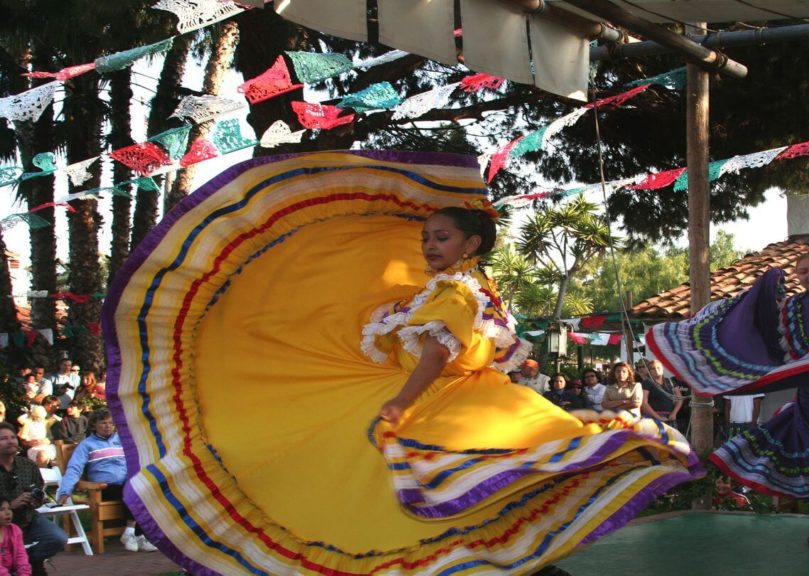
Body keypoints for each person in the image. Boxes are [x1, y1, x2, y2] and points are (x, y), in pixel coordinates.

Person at [106, 152, 704, 575]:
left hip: (446, 399)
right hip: (473, 396)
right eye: (426, 239)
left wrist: (402, 400)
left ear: (469, 244)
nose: (427, 246)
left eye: (439, 237)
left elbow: (440, 352)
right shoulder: (466, 290)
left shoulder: (453, 294)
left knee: (382, 495)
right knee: (468, 497)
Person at [648, 251, 809, 545]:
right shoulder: (791, 308)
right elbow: (753, 319)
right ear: (798, 277)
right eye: (803, 270)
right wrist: (765, 284)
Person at [56, 409, 157, 552]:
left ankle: (133, 533)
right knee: (133, 491)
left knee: (142, 488)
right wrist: (65, 491)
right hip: (103, 488)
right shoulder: (86, 445)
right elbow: (74, 468)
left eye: (110, 423)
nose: (108, 426)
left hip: (126, 485)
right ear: (93, 426)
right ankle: (134, 533)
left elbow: (136, 461)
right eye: (103, 423)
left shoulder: (121, 441)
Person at [0, 422, 66, 575]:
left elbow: (38, 489)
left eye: (12, 437)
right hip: (3, 522)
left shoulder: (27, 465)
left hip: (29, 517)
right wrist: (11, 505)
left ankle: (27, 561)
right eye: (3, 439)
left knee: (58, 538)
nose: (10, 441)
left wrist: (37, 500)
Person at [638, 359, 684, 426]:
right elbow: (644, 403)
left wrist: (674, 413)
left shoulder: (670, 381)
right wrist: (658, 417)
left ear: (662, 369)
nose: (656, 370)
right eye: (653, 368)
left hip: (669, 416)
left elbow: (679, 398)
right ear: (649, 371)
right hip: (653, 417)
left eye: (658, 367)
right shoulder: (647, 383)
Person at [0, 497, 30, 576]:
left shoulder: (15, 530)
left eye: (9, 508)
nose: (8, 512)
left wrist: (24, 573)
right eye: (2, 510)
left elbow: (21, 555)